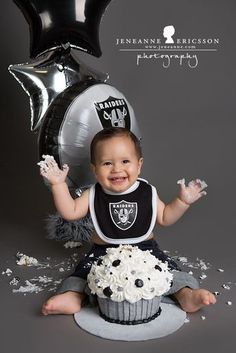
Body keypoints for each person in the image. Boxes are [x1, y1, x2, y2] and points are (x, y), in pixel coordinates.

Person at [39, 127, 216, 315]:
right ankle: (72, 296)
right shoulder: (93, 194)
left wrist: (182, 202)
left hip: (146, 250)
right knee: (84, 273)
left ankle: (186, 295)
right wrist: (58, 185)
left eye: (125, 161)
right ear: (94, 169)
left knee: (169, 270)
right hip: (103, 251)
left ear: (139, 165)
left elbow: (165, 217)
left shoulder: (147, 192)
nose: (117, 169)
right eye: (107, 163)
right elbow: (70, 212)